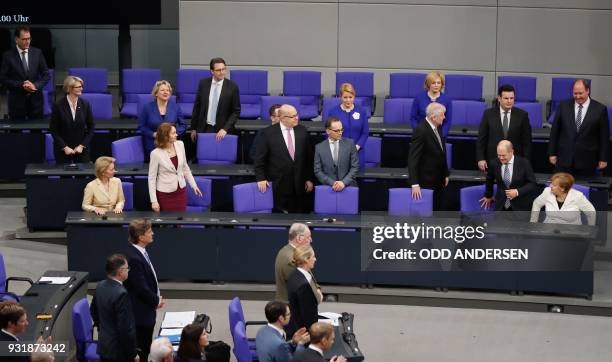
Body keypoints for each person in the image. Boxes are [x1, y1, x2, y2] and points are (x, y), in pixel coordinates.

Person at [254, 104, 314, 213]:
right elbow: (259, 159)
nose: (297, 118)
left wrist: (309, 178)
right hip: (278, 184)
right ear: (282, 118)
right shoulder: (267, 133)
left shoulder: (302, 131)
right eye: (292, 116)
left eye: (297, 115)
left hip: (299, 185)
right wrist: (261, 178)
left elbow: (308, 157)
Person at [548, 79, 609, 177]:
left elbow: (604, 137)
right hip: (564, 160)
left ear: (588, 91)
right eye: (575, 93)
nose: (577, 96)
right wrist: (552, 153)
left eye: (580, 93)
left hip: (587, 161)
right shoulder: (563, 106)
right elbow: (555, 131)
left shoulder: (600, 109)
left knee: (583, 190)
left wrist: (603, 158)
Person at [123, 219, 165, 361]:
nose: (152, 233)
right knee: (142, 350)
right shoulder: (134, 258)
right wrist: (156, 301)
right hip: (140, 314)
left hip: (146, 309)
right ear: (141, 237)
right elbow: (140, 288)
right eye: (149, 232)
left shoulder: (138, 252)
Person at [91, 254, 139, 362]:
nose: (128, 271)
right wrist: (133, 354)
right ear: (120, 271)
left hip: (104, 346)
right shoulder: (122, 294)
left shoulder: (100, 286)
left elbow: (93, 311)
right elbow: (125, 329)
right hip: (118, 352)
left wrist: (102, 328)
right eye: (127, 268)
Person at [476, 84, 532, 171]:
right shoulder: (488, 114)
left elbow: (527, 142)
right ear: (499, 98)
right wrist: (481, 158)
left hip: (515, 162)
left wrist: (525, 162)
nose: (509, 101)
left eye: (512, 98)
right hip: (493, 160)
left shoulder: (522, 115)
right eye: (506, 98)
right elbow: (482, 139)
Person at [148, 122, 202, 212]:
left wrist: (193, 185)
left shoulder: (180, 144)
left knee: (180, 221)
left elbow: (185, 167)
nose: (176, 134)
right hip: (165, 194)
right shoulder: (155, 154)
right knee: (167, 223)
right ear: (165, 136)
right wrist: (154, 201)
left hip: (180, 191)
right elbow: (152, 178)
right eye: (173, 133)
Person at [0, 26, 49, 119]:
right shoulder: (8, 56)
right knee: (16, 133)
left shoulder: (37, 53)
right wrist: (22, 85)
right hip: (16, 102)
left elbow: (46, 74)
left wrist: (35, 85)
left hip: (36, 102)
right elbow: (3, 78)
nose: (27, 42)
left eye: (29, 38)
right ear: (16, 39)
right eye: (24, 39)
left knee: (36, 132)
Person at [408, 102, 449, 210]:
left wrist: (445, 174)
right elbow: (413, 159)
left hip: (438, 179)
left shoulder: (438, 127)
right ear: (433, 117)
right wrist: (415, 183)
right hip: (426, 182)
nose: (444, 117)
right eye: (442, 115)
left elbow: (442, 152)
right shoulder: (421, 131)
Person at [190, 57, 241, 143]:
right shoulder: (203, 84)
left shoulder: (233, 87)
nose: (222, 72)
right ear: (212, 71)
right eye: (218, 70)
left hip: (223, 130)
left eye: (223, 69)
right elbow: (197, 107)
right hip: (204, 127)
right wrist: (193, 128)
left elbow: (236, 111)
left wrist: (225, 129)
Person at [49, 75, 95, 163]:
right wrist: (64, 147)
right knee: (65, 176)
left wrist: (82, 145)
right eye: (78, 87)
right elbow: (53, 129)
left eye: (81, 86)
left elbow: (91, 127)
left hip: (81, 150)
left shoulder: (85, 104)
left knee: (82, 176)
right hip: (63, 150)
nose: (81, 89)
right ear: (69, 88)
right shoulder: (58, 105)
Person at [480, 140, 536, 212]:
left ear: (511, 152)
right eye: (499, 155)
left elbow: (532, 183)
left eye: (503, 155)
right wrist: (488, 195)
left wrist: (517, 192)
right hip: (501, 207)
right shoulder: (494, 163)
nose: (501, 158)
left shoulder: (524, 163)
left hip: (520, 208)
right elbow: (489, 180)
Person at [138, 80, 187, 155]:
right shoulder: (147, 108)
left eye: (168, 90)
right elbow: (142, 126)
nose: (166, 92)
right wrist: (153, 134)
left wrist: (173, 133)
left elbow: (183, 125)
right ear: (156, 93)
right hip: (153, 144)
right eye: (162, 90)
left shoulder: (176, 107)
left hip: (170, 145)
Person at [327, 83, 369, 168]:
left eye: (350, 97)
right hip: (339, 152)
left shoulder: (361, 111)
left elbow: (365, 132)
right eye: (345, 97)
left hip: (357, 151)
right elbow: (329, 133)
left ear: (354, 97)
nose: (348, 100)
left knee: (357, 177)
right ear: (340, 97)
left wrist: (357, 146)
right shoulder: (333, 112)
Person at [530, 172, 596, 225]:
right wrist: (533, 223)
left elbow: (591, 213)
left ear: (562, 188)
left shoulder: (578, 196)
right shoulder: (547, 191)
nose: (550, 186)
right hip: (549, 230)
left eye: (554, 185)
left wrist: (590, 230)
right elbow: (536, 203)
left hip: (572, 233)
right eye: (551, 183)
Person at [275, 223, 318, 302]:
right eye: (308, 237)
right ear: (299, 238)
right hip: (291, 309)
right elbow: (302, 287)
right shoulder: (292, 258)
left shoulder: (285, 251)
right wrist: (317, 296)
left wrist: (317, 289)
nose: (311, 240)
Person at [314, 117, 360, 191]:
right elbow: (318, 171)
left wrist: (343, 183)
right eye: (337, 131)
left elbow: (355, 167)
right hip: (329, 188)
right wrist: (332, 183)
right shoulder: (319, 147)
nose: (340, 133)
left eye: (341, 130)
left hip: (348, 186)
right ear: (328, 131)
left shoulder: (350, 144)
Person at [286, 245, 322, 337]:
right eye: (313, 256)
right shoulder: (304, 286)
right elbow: (308, 317)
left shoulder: (295, 274)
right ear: (306, 259)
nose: (315, 259)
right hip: (303, 334)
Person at [410, 71, 452, 137]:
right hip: (421, 135)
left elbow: (447, 122)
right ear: (428, 84)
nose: (436, 85)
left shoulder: (447, 100)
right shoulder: (419, 98)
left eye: (438, 83)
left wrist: (440, 136)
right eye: (433, 83)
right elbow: (413, 119)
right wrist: (418, 132)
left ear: (442, 84)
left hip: (439, 135)